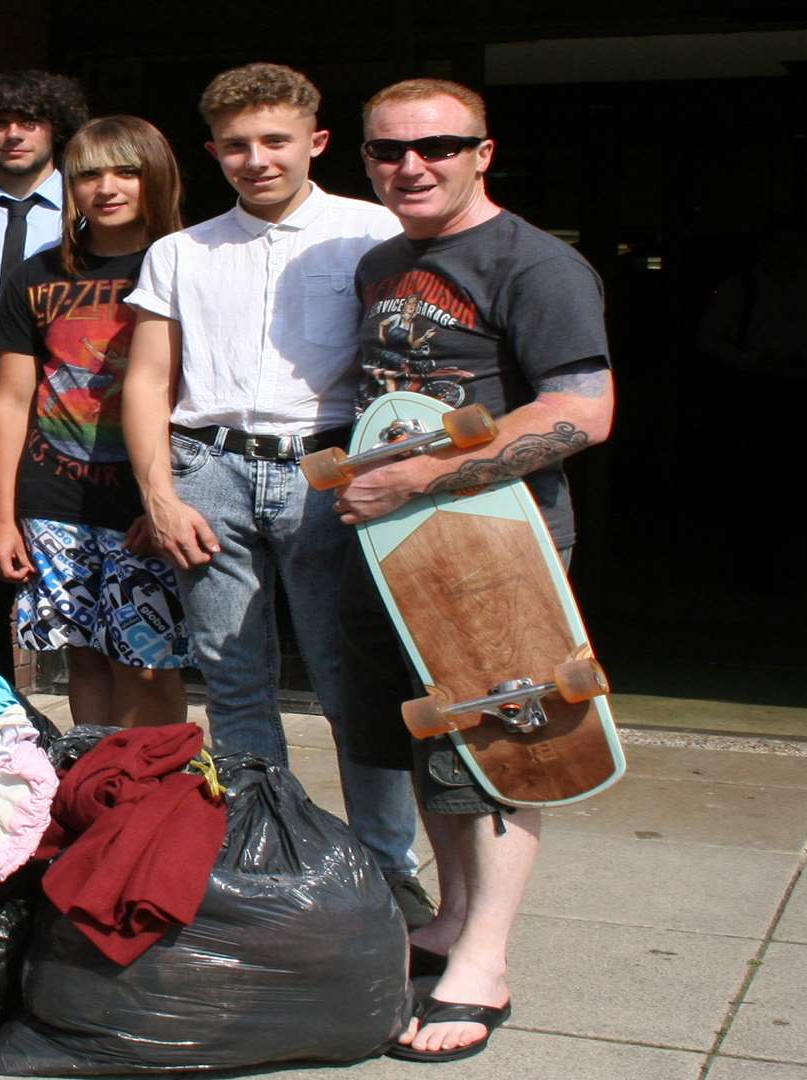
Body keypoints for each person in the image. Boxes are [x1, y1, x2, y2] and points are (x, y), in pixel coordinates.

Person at [338, 78, 616, 1063]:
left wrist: (416, 476)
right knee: (433, 745)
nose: (412, 166)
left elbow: (582, 412)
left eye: (439, 147)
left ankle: (484, 964)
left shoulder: (537, 264)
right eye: (388, 151)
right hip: (396, 547)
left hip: (499, 549)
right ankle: (454, 919)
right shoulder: (384, 262)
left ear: (483, 152)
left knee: (503, 748)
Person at [120, 63, 433, 922]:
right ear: (214, 151)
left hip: (329, 468)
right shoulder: (181, 250)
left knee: (352, 680)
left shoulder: (372, 232)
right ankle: (262, 848)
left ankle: (384, 870)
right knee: (232, 677)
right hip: (207, 468)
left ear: (315, 142)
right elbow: (148, 381)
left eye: (274, 141)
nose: (256, 159)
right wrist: (159, 495)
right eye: (236, 145)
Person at [0, 116, 191, 727]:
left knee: (149, 663)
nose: (107, 187)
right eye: (89, 174)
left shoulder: (186, 264)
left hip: (149, 499)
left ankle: (154, 797)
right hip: (54, 500)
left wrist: (165, 500)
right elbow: (11, 400)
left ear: (155, 176)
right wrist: (3, 518)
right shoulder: (36, 276)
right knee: (85, 658)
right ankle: (96, 787)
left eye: (126, 170)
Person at [0, 70, 91, 681]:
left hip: (73, 428)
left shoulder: (94, 211)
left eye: (29, 121)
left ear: (55, 127)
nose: (13, 134)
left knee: (83, 580)